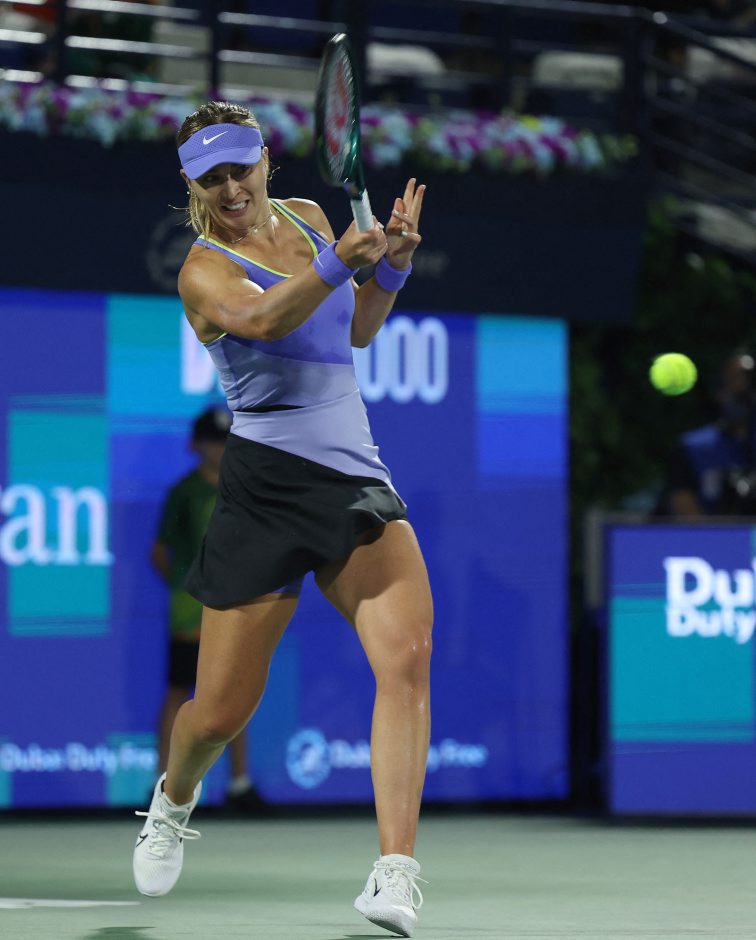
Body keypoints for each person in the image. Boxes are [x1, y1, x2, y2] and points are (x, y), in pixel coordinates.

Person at [132, 100, 432, 940]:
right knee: (218, 714)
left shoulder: (308, 217)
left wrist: (393, 268)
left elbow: (356, 330)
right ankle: (173, 800)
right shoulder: (203, 270)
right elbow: (266, 320)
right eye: (212, 178)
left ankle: (395, 871)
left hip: (353, 475)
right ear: (191, 184)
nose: (231, 188)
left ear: (267, 160)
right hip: (264, 487)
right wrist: (341, 262)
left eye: (242, 168)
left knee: (407, 659)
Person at [151, 405, 265, 812]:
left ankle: (239, 783)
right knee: (179, 691)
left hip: (234, 609)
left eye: (225, 442)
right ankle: (163, 784)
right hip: (190, 614)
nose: (220, 450)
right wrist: (188, 590)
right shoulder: (184, 493)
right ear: (195, 445)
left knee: (235, 695)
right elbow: (160, 552)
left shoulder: (245, 490)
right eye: (212, 442)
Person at [660, 351, 756, 517]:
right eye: (738, 395)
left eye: (750, 388)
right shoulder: (694, 448)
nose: (746, 398)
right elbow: (683, 507)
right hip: (711, 531)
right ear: (720, 392)